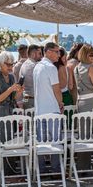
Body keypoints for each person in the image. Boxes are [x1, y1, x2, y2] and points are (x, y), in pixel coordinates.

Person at [33, 42, 64, 174]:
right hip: (52, 109)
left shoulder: (37, 67)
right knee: (56, 142)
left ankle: (41, 170)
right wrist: (61, 103)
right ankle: (56, 170)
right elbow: (56, 89)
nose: (59, 54)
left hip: (40, 110)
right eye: (57, 52)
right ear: (48, 52)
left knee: (41, 143)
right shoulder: (51, 67)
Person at [0, 51, 23, 174]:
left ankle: (11, 171)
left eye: (12, 64)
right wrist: (10, 90)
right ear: (0, 63)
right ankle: (1, 172)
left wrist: (19, 91)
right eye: (7, 64)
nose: (10, 67)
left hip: (10, 112)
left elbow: (13, 97)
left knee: (10, 141)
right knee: (0, 141)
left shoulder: (12, 76)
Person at [19, 44, 42, 110]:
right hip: (33, 99)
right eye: (39, 53)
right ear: (34, 54)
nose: (41, 56)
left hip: (25, 98)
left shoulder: (23, 65)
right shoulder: (35, 66)